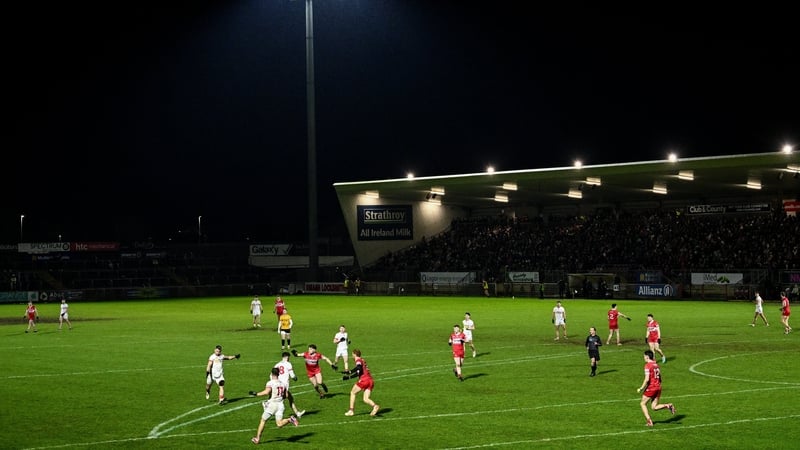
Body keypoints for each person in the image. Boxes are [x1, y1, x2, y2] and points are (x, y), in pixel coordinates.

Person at [249, 367, 299, 445]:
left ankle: (257, 438)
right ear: (278, 374)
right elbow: (286, 395)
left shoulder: (270, 383)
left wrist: (256, 394)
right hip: (281, 405)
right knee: (279, 424)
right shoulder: (283, 384)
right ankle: (290, 419)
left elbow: (266, 392)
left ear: (271, 374)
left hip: (273, 405)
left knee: (263, 420)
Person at [636, 350, 676, 427]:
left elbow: (647, 379)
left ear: (647, 357)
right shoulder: (656, 364)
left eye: (644, 356)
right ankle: (668, 405)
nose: (643, 358)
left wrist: (641, 388)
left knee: (642, 403)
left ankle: (649, 421)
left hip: (651, 387)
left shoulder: (647, 365)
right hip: (658, 387)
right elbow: (660, 377)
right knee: (654, 407)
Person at [342, 349, 380, 417]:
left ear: (354, 354)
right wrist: (349, 375)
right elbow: (358, 372)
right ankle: (375, 406)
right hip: (370, 381)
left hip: (364, 380)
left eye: (352, 354)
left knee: (353, 392)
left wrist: (349, 374)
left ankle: (351, 410)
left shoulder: (358, 360)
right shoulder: (363, 360)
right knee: (365, 399)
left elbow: (358, 367)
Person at [274, 352, 305, 417]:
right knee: (281, 399)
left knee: (290, 398)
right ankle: (267, 404)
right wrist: (295, 378)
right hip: (284, 385)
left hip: (277, 384)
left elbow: (272, 375)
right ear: (287, 357)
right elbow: (292, 375)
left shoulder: (277, 365)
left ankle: (297, 413)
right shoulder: (288, 364)